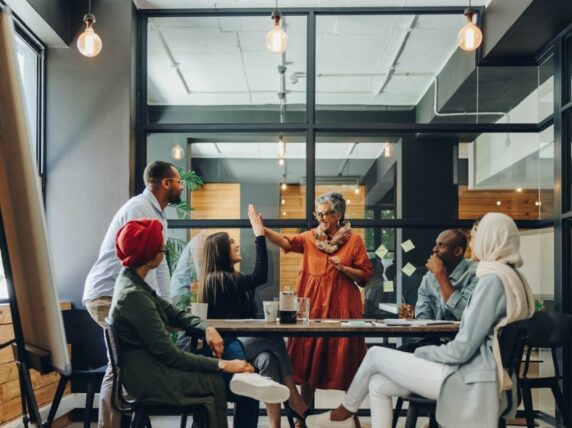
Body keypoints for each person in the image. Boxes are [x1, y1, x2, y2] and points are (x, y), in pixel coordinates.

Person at [306, 212, 535, 428]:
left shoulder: (491, 281)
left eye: (476, 238)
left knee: (375, 354)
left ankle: (343, 414)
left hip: (469, 376)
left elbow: (462, 349)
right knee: (377, 384)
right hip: (477, 371)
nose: (472, 245)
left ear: (490, 239)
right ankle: (345, 413)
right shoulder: (512, 277)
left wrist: (422, 354)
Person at [109, 219, 275, 428]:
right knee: (242, 384)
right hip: (152, 380)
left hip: (152, 369)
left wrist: (207, 328)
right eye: (161, 248)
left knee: (244, 378)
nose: (164, 252)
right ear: (150, 256)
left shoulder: (132, 284)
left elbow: (176, 315)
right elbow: (171, 355)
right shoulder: (134, 296)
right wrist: (223, 364)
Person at [83, 160, 184, 428]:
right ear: (166, 183)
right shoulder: (140, 209)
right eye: (179, 181)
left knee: (130, 361)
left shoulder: (155, 213)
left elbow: (159, 264)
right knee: (121, 364)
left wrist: (166, 306)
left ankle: (135, 420)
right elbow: (138, 262)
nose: (181, 186)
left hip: (119, 296)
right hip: (108, 296)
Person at [253, 192, 372, 409]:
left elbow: (365, 277)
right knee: (309, 361)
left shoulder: (354, 240)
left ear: (339, 214)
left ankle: (349, 415)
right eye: (318, 214)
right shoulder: (310, 237)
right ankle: (303, 416)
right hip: (313, 308)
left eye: (325, 214)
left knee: (346, 362)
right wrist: (262, 230)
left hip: (342, 309)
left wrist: (344, 268)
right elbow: (286, 242)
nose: (321, 219)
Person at [199, 204, 309, 427]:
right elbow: (260, 275)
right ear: (220, 251)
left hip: (241, 343)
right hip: (227, 348)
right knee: (273, 336)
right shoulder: (218, 280)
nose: (237, 244)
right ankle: (296, 400)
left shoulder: (230, 279)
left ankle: (274, 424)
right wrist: (260, 235)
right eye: (231, 243)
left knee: (268, 359)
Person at [398, 229, 478, 321]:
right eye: (436, 244)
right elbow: (424, 320)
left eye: (441, 245)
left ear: (458, 251)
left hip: (464, 335)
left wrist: (440, 274)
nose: (434, 249)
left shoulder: (475, 273)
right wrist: (413, 316)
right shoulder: (429, 277)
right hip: (437, 335)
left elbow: (465, 314)